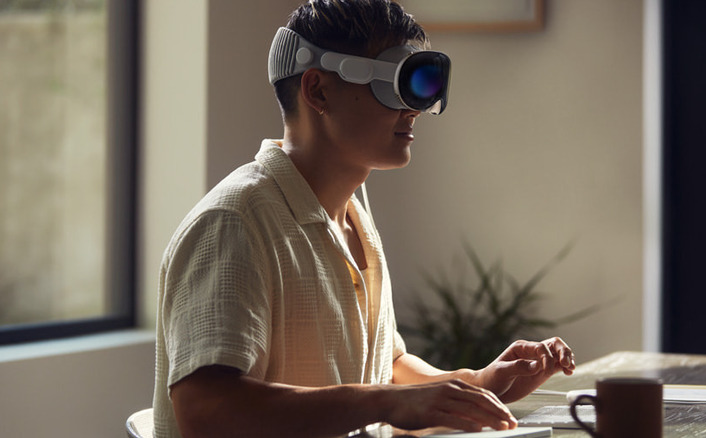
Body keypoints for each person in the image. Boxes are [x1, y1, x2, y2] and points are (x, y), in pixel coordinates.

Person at [152, 1, 576, 437]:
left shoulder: (353, 217)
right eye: (396, 84)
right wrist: (385, 402)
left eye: (423, 85)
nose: (414, 109)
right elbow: (205, 410)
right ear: (317, 91)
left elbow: (384, 368)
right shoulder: (234, 224)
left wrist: (478, 383)